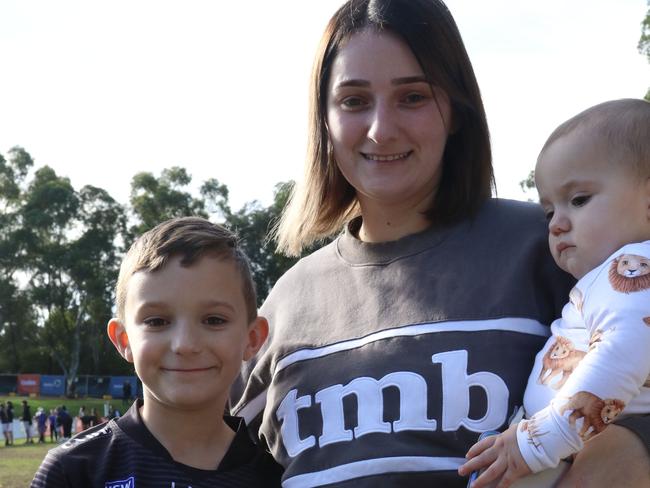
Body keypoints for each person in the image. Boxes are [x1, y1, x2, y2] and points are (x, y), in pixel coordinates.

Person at [229, 1, 650, 486]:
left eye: (412, 97)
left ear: (455, 110)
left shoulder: (555, 247)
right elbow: (203, 453)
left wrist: (631, 450)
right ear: (323, 119)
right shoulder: (283, 306)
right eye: (353, 101)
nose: (381, 129)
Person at [459, 99, 650, 486]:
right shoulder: (607, 278)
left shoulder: (633, 270)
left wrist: (535, 445)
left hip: (574, 452)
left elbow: (622, 353)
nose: (558, 224)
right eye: (549, 212)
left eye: (578, 200)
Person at [32, 217, 282, 488]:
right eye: (157, 321)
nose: (185, 344)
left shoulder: (276, 476)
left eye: (214, 320)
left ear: (252, 337)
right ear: (123, 339)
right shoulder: (75, 471)